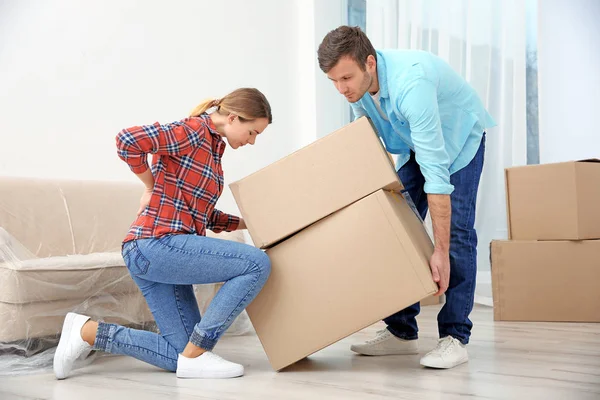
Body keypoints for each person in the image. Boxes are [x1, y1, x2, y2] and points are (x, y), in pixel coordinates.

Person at [53, 88, 273, 379]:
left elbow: (204, 215)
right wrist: (149, 185)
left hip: (161, 252)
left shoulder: (212, 148)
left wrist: (251, 223)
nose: (252, 141)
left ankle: (88, 332)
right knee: (256, 263)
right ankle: (199, 352)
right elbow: (128, 140)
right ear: (233, 118)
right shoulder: (194, 130)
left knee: (178, 356)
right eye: (253, 131)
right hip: (156, 244)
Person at [318, 26, 496, 369]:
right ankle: (401, 331)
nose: (341, 89)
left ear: (369, 63)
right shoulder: (359, 92)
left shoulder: (411, 85)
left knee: (457, 235)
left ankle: (455, 337)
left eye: (346, 78)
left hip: (458, 142)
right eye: (334, 81)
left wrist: (439, 251)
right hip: (419, 142)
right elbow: (371, 146)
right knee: (391, 219)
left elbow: (437, 178)